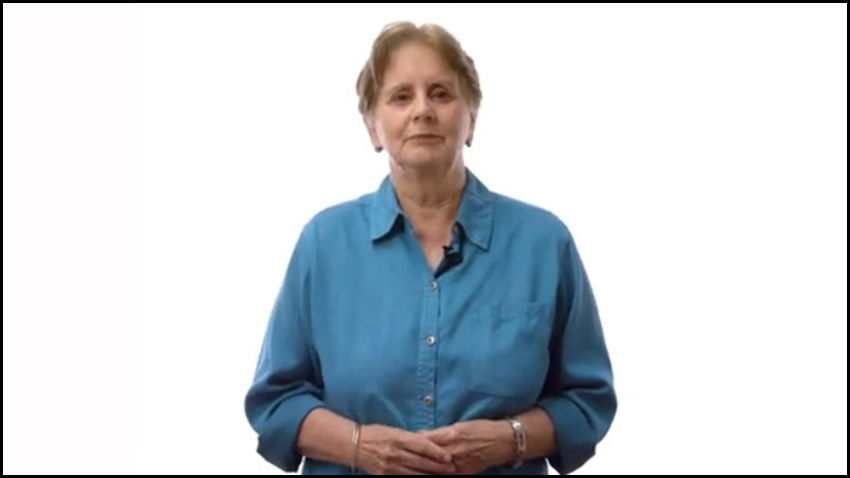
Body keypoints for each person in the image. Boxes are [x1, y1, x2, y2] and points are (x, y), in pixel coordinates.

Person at [244, 21, 617, 475]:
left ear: (472, 118)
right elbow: (275, 402)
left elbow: (586, 402)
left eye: (441, 93)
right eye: (401, 96)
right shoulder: (324, 243)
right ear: (373, 126)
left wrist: (508, 440)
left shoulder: (544, 243)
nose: (422, 110)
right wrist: (360, 446)